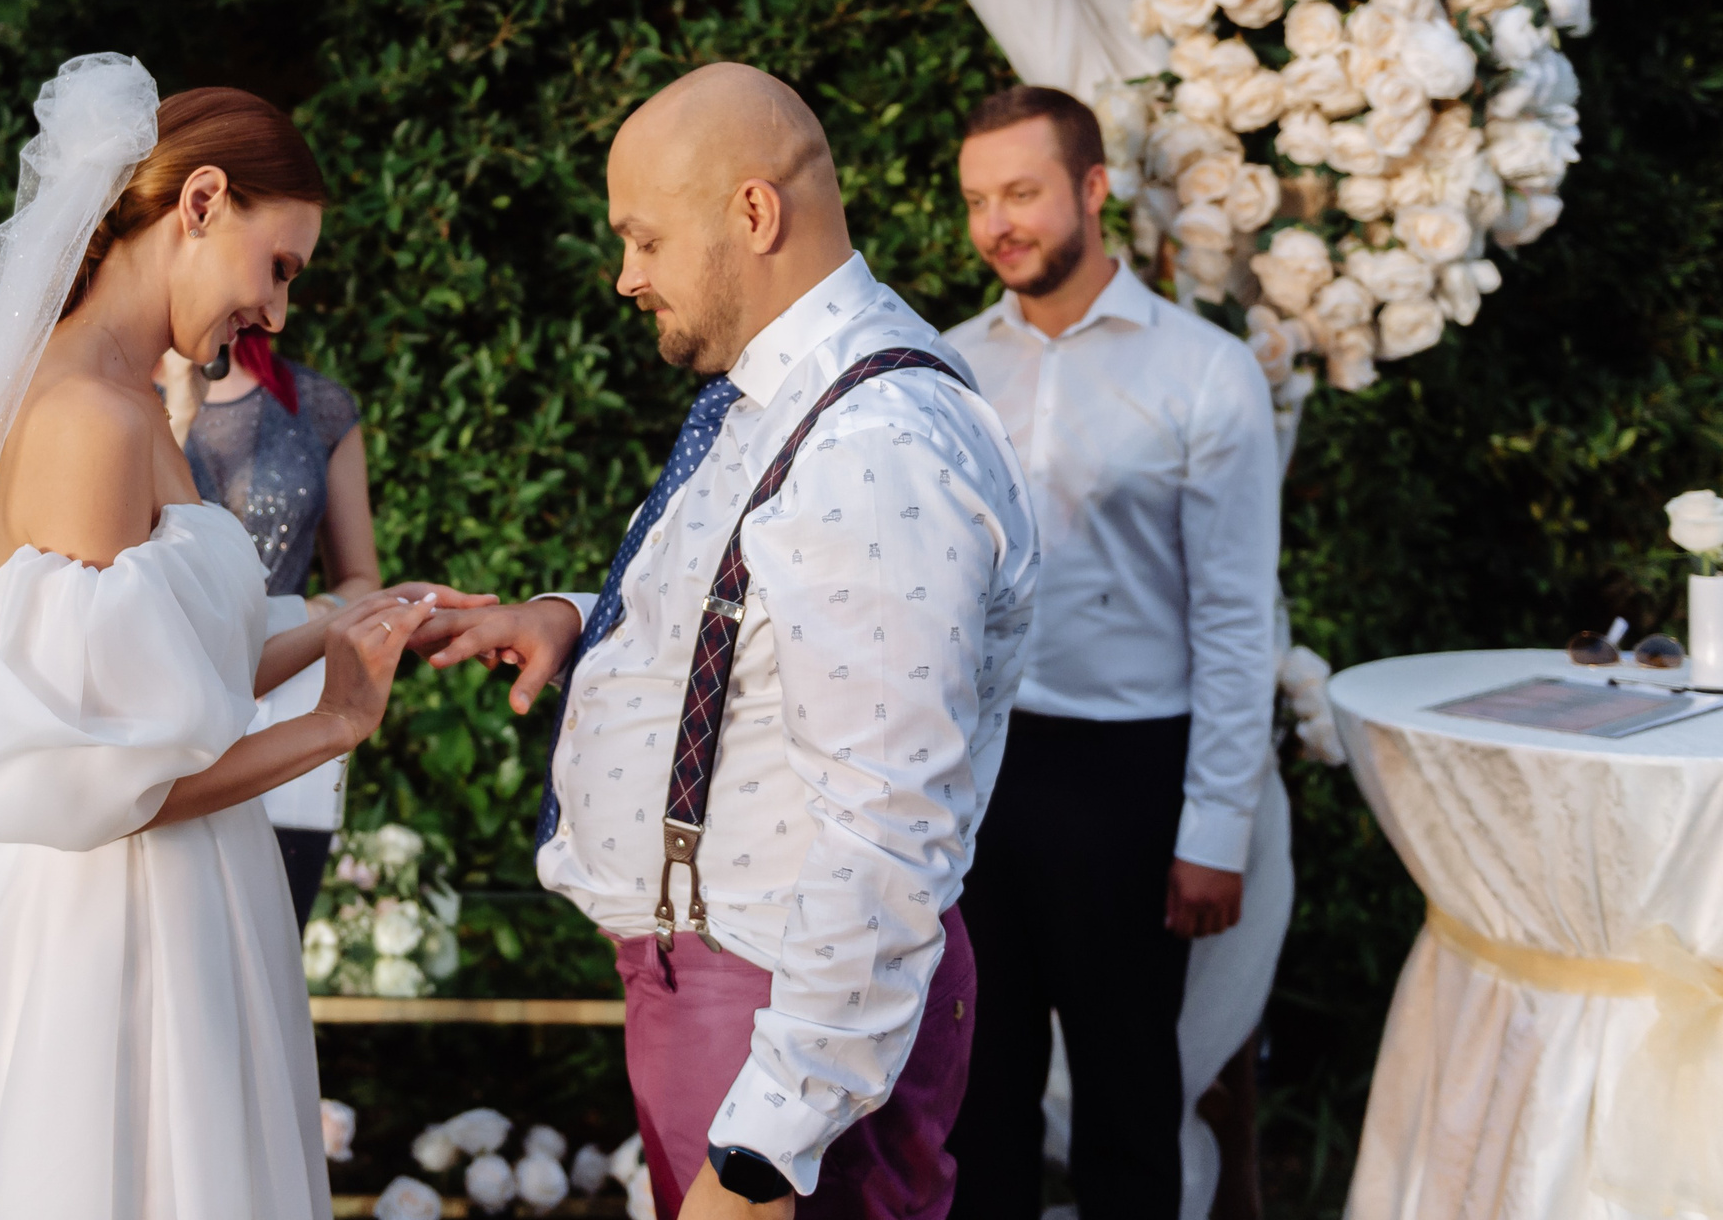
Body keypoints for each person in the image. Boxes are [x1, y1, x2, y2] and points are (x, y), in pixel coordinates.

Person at [0, 61, 479, 1220]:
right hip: (117, 937)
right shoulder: (85, 422)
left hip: (192, 901)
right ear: (200, 202)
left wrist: (343, 629)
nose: (275, 311)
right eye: (278, 267)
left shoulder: (119, 396)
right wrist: (337, 722)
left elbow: (161, 692)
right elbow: (114, 787)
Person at [411, 64, 1038, 1220]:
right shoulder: (785, 398)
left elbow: (890, 818)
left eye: (642, 238)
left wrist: (761, 1152)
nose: (624, 276)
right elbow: (748, 609)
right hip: (725, 992)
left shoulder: (875, 441)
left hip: (781, 1023)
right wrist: (567, 619)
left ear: (752, 214)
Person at [938, 86, 1280, 1220]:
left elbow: (1236, 619)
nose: (999, 224)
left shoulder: (1204, 372)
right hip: (972, 775)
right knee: (971, 1099)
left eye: (1022, 193)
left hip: (1129, 776)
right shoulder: (938, 368)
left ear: (1092, 190)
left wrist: (1214, 829)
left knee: (1129, 1104)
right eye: (979, 200)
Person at [175, 328, 380, 926]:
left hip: (282, 706)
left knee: (272, 937)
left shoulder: (317, 404)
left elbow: (362, 576)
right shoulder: (118, 397)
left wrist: (308, 617)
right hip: (170, 707)